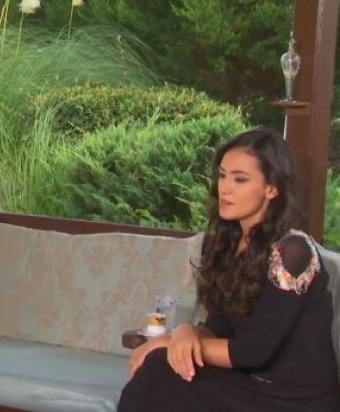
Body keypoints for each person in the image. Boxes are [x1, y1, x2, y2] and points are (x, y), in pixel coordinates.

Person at [118, 128, 340, 412]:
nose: (225, 188)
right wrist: (184, 332)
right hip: (247, 384)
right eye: (222, 176)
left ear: (272, 188)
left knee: (160, 366)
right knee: (159, 369)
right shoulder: (227, 244)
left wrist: (170, 341)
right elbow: (217, 329)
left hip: (294, 399)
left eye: (240, 179)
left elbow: (253, 352)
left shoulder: (293, 251)